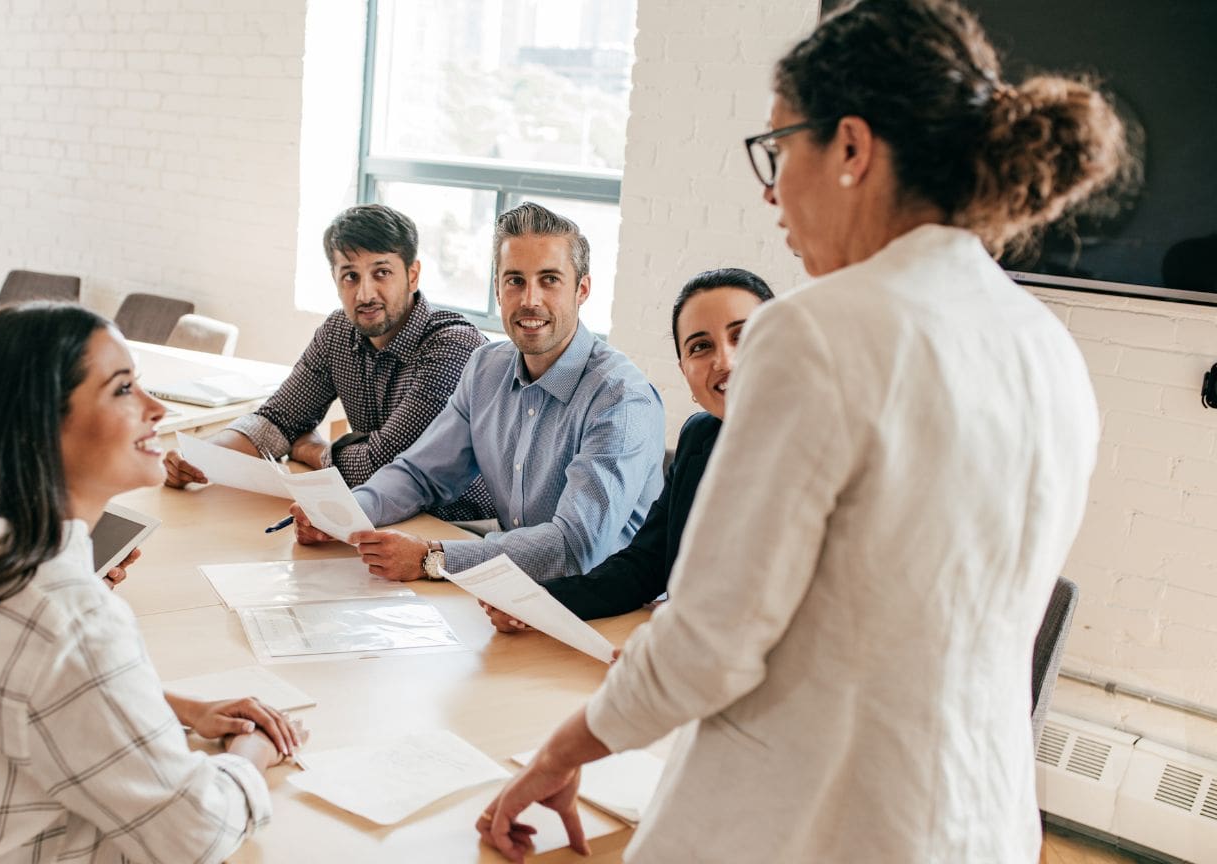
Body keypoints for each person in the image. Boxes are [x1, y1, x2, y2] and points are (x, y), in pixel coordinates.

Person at [478, 1, 1130, 861]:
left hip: (815, 823)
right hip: (984, 825)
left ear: (851, 148)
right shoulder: (1048, 348)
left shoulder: (816, 332)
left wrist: (563, 752)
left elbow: (711, 641)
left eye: (780, 150)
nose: (770, 186)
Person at [0, 304, 303, 862]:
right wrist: (251, 752)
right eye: (124, 390)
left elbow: (36, 695)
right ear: (40, 424)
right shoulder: (63, 613)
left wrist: (175, 706)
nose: (158, 409)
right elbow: (192, 832)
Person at [292, 202, 666, 583]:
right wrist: (343, 513)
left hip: (610, 609)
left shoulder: (620, 398)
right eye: (515, 280)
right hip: (514, 595)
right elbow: (421, 473)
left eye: (549, 280)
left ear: (581, 289)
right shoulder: (486, 367)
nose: (529, 300)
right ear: (498, 290)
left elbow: (575, 547)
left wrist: (432, 558)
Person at [480, 268, 773, 632]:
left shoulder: (832, 446)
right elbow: (644, 566)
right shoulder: (700, 437)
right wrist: (538, 603)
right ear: (685, 373)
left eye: (742, 336)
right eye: (701, 347)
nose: (725, 361)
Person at [164, 204, 496, 522]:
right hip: (380, 513)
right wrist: (201, 457)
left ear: (412, 274)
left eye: (381, 273)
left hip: (461, 525)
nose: (365, 294)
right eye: (350, 276)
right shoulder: (339, 332)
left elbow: (385, 467)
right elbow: (277, 420)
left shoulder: (451, 346)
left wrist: (315, 450)